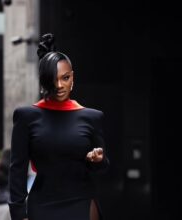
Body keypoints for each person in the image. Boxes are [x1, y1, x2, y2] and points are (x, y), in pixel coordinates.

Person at [8, 33, 110, 220]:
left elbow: (102, 168)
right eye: (53, 79)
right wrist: (18, 213)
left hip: (82, 202)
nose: (60, 85)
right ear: (44, 80)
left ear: (73, 78)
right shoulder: (26, 117)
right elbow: (17, 170)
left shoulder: (92, 117)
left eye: (65, 78)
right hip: (42, 204)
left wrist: (97, 160)